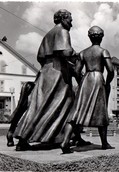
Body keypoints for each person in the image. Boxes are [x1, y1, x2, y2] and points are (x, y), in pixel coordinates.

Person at [13, 9, 87, 151]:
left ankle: (24, 139)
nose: (72, 22)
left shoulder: (48, 34)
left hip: (45, 72)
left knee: (38, 106)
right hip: (58, 73)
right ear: (63, 19)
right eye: (70, 19)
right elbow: (66, 52)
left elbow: (40, 57)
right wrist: (78, 55)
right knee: (70, 104)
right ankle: (71, 137)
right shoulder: (62, 32)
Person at [60, 26, 115, 154]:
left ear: (89, 37)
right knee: (101, 112)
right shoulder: (103, 51)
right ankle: (104, 143)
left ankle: (65, 141)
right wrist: (107, 83)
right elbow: (111, 70)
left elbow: (77, 71)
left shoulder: (83, 53)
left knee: (76, 113)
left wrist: (82, 83)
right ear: (101, 37)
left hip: (86, 80)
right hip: (97, 79)